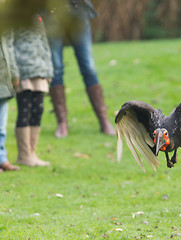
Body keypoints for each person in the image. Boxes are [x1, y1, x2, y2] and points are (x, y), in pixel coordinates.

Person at [46, 0, 115, 138]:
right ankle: (62, 123)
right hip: (51, 13)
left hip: (78, 11)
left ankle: (104, 120)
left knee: (88, 66)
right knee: (56, 67)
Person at [13, 15, 53, 166]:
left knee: (38, 110)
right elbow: (9, 45)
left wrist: (49, 71)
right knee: (25, 110)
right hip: (23, 72)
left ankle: (31, 153)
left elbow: (45, 45)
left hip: (40, 71)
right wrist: (14, 71)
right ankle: (23, 155)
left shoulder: (38, 16)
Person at [0, 31, 20, 172]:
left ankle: (0, 157)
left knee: (0, 125)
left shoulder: (4, 21)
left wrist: (14, 74)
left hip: (3, 81)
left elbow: (10, 48)